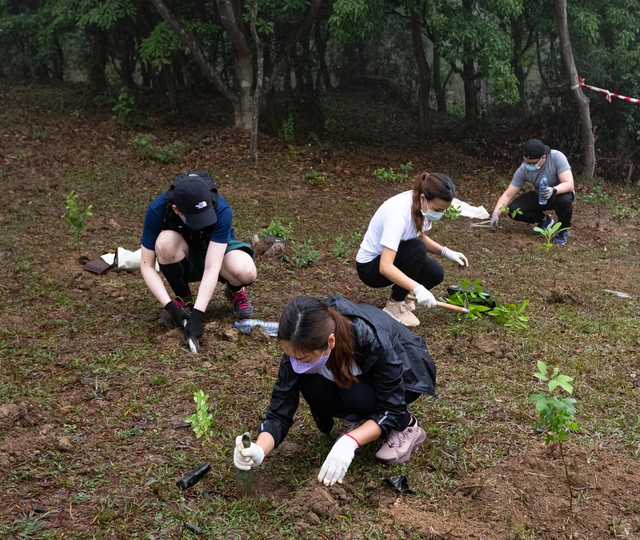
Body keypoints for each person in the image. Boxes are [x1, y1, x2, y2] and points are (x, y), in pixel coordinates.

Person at [232, 295, 436, 486]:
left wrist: (351, 441)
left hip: (408, 374)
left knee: (356, 395)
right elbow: (281, 407)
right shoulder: (299, 345)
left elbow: (392, 405)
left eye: (302, 358)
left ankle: (407, 426)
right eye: (290, 356)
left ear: (330, 342)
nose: (294, 363)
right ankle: (366, 422)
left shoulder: (368, 338)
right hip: (358, 379)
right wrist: (260, 448)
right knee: (314, 389)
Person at [140, 171, 257, 345]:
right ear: (176, 210)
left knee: (246, 271)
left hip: (215, 250)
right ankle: (183, 299)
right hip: (183, 250)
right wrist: (169, 307)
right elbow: (146, 266)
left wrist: (197, 315)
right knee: (164, 243)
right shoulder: (158, 209)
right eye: (196, 219)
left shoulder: (222, 209)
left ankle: (235, 289)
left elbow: (212, 265)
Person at [355, 172, 469, 327]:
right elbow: (385, 266)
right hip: (370, 268)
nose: (439, 214)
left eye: (443, 210)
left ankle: (404, 296)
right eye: (437, 209)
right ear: (423, 198)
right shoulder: (398, 214)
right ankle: (394, 305)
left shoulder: (420, 206)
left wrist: (445, 252)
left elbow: (417, 235)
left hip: (394, 258)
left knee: (435, 274)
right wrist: (417, 288)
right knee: (417, 250)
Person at [490, 139, 575, 245]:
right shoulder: (523, 169)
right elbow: (508, 194)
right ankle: (545, 221)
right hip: (539, 196)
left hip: (559, 193)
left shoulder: (557, 157)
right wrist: (496, 212)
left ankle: (562, 229)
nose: (528, 165)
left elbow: (569, 184)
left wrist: (553, 190)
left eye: (532, 163)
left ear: (543, 158)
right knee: (513, 210)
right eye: (526, 162)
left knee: (564, 200)